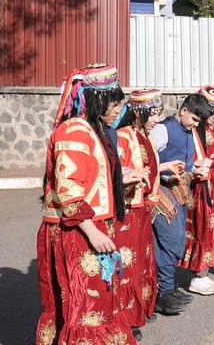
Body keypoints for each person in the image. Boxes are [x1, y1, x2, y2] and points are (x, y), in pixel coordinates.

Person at [37, 64, 139, 344]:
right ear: (94, 99)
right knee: (86, 308)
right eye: (113, 102)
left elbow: (92, 180)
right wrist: (93, 233)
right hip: (77, 231)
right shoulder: (75, 131)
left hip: (89, 226)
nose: (118, 110)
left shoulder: (94, 130)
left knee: (98, 305)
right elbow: (69, 191)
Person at [149, 93, 211, 314]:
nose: (196, 125)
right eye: (194, 119)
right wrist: (166, 171)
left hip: (179, 192)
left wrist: (194, 169)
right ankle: (162, 292)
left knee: (171, 244)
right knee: (170, 242)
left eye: (198, 122)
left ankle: (166, 289)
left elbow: (182, 163)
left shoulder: (187, 130)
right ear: (183, 110)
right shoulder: (163, 129)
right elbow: (145, 156)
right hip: (163, 192)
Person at [114, 89, 167, 338]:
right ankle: (124, 318)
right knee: (128, 263)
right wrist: (132, 176)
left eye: (158, 113)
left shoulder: (145, 136)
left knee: (143, 261)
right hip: (128, 208)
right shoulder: (124, 136)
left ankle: (140, 308)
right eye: (153, 113)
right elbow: (117, 172)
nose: (156, 119)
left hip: (142, 207)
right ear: (138, 112)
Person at [181, 86, 214, 295]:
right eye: (212, 111)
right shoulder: (193, 129)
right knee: (201, 227)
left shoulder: (212, 129)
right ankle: (197, 274)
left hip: (213, 183)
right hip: (199, 185)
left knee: (212, 227)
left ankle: (205, 272)